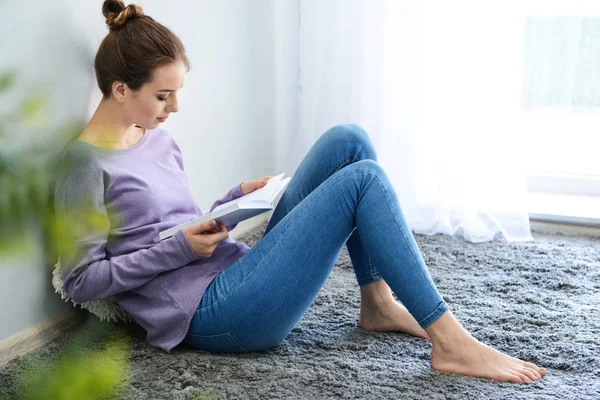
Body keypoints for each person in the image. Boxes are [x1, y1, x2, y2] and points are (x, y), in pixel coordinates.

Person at [54, 0, 546, 384]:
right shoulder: (82, 166)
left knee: (348, 140)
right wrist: (180, 248)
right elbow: (82, 282)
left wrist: (232, 200)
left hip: (229, 269)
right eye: (163, 96)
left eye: (177, 92)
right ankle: (451, 341)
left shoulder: (153, 134)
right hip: (211, 314)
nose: (175, 107)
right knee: (364, 180)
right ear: (120, 89)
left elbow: (170, 220)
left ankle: (376, 303)